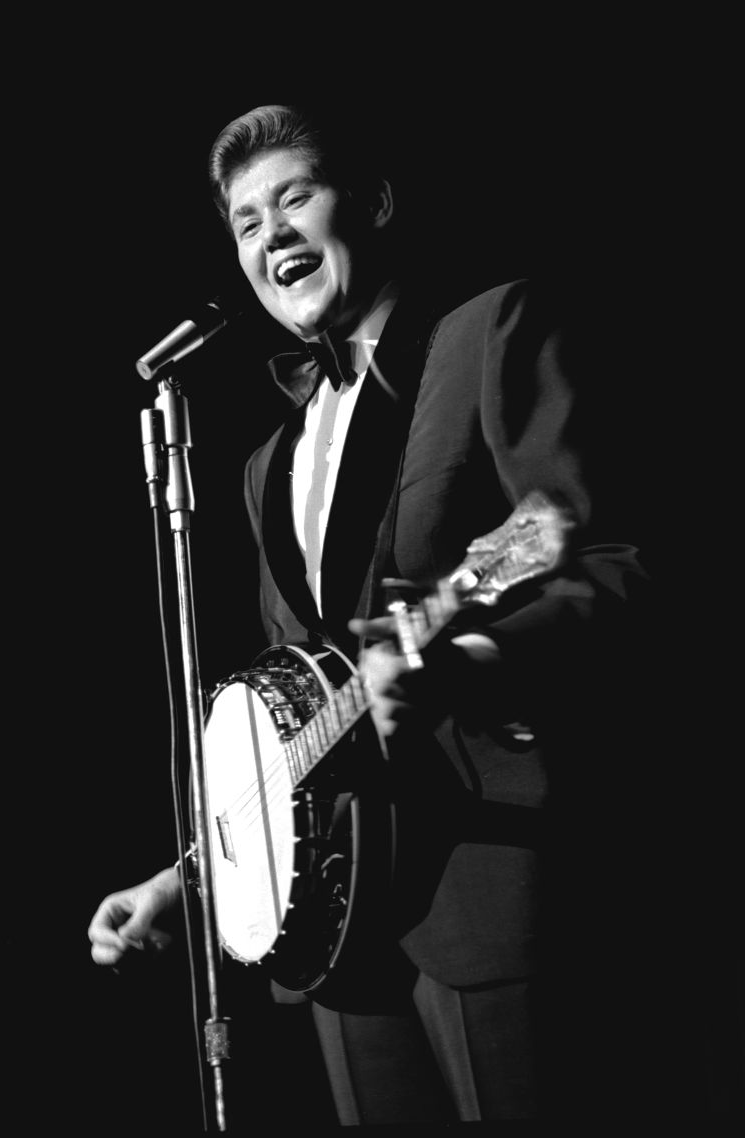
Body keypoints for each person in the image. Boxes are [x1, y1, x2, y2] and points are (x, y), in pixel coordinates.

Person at [88, 103, 656, 1124]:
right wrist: (189, 880)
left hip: (491, 889)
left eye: (296, 194)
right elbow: (293, 722)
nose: (270, 233)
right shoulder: (266, 466)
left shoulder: (491, 332)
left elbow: (610, 562)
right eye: (246, 219)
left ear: (375, 204)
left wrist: (470, 655)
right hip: (338, 944)